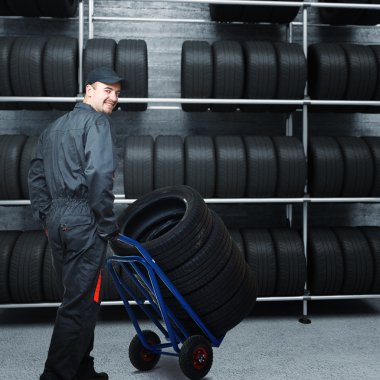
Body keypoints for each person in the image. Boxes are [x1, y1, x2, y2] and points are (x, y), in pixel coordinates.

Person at [28, 67, 123, 380]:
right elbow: (99, 175)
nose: (113, 97)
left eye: (117, 92)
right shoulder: (96, 123)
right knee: (78, 304)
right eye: (106, 90)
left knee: (81, 300)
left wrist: (47, 216)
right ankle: (54, 376)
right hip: (84, 220)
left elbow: (36, 176)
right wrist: (107, 224)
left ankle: (83, 369)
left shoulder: (53, 128)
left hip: (58, 221)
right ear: (89, 90)